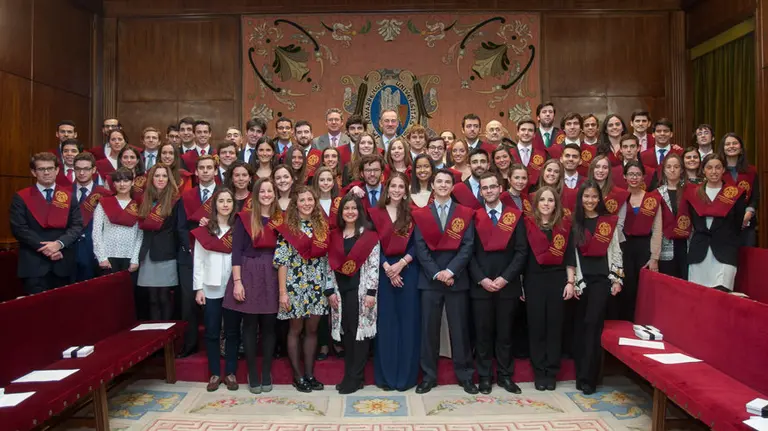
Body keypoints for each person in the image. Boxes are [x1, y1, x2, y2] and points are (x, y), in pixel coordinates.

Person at [412, 169, 476, 394]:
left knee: (459, 330)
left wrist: (450, 271)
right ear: (432, 184)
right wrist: (437, 273)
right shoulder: (422, 214)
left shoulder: (464, 213)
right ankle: (429, 376)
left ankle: (465, 375)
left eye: (447, 181)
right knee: (429, 331)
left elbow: (468, 246)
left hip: (456, 279)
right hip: (430, 280)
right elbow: (420, 247)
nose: (442, 185)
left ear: (452, 186)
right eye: (438, 181)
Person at [469, 172, 527, 394]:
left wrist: (505, 278)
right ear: (480, 191)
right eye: (485, 188)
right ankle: (484, 377)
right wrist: (482, 279)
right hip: (481, 286)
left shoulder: (515, 216)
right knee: (482, 335)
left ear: (501, 188)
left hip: (507, 285)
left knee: (505, 334)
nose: (489, 191)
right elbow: (469, 253)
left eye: (493, 187)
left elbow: (521, 252)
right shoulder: (473, 217)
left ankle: (505, 376)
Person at [273, 185, 332, 392]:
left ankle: (309, 374)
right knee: (295, 330)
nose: (307, 204)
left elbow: (327, 260)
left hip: (317, 285)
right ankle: (298, 377)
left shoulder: (322, 226)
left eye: (310, 200)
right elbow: (282, 261)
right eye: (302, 200)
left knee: (313, 330)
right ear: (295, 204)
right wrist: (282, 293)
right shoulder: (288, 228)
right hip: (295, 286)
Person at [225, 178, 281, 393]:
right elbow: (236, 252)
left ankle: (266, 372)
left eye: (270, 191)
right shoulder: (245, 218)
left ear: (275, 194)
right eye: (263, 191)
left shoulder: (280, 219)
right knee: (249, 325)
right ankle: (253, 373)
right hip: (248, 272)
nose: (266, 194)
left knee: (269, 326)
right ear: (256, 195)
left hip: (273, 273)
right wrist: (237, 282)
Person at [568, 180, 623, 395]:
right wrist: (573, 281)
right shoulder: (574, 224)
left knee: (593, 325)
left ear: (599, 199)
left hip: (602, 281)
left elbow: (616, 251)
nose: (590, 200)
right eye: (586, 197)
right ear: (580, 200)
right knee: (581, 327)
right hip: (582, 281)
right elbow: (571, 256)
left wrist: (617, 279)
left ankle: (591, 378)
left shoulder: (607, 223)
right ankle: (581, 375)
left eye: (594, 197)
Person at [369, 172, 420, 391]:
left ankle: (406, 377)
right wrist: (387, 267)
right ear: (387, 188)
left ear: (406, 190)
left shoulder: (414, 214)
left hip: (408, 271)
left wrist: (401, 264)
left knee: (408, 324)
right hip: (383, 272)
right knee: (386, 325)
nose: (397, 190)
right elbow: (370, 243)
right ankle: (386, 377)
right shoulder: (375, 214)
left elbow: (419, 244)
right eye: (393, 186)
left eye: (401, 186)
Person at [326, 195, 380, 394]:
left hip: (361, 290)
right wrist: (330, 290)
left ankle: (356, 377)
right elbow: (328, 265)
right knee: (347, 333)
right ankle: (350, 374)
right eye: (346, 208)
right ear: (341, 213)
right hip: (341, 291)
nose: (350, 211)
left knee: (359, 334)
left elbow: (374, 266)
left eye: (354, 208)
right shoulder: (335, 235)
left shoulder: (369, 235)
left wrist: (371, 293)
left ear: (360, 211)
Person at [11, 152, 84, 294]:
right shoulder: (21, 197)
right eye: (41, 169)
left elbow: (76, 226)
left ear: (57, 170)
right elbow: (19, 229)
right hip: (34, 264)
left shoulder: (69, 197)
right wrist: (47, 249)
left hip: (63, 262)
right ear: (33, 172)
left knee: (63, 309)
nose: (46, 173)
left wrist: (58, 244)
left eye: (50, 168)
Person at [523, 186, 574, 391]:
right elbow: (522, 256)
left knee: (554, 326)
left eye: (550, 200)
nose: (546, 203)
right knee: (536, 327)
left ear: (556, 204)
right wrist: (521, 284)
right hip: (533, 280)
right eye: (542, 200)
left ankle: (551, 371)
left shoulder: (563, 226)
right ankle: (539, 371)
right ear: (536, 204)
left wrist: (570, 282)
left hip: (557, 280)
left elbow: (570, 255)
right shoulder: (528, 225)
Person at [192, 188, 236, 391]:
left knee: (233, 331)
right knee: (211, 331)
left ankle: (231, 372)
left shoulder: (238, 229)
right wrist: (198, 288)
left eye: (229, 201)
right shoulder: (206, 230)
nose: (225, 204)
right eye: (221, 201)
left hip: (233, 286)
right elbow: (198, 260)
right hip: (210, 288)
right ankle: (215, 373)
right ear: (215, 205)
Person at [177, 155, 219, 357]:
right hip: (190, 255)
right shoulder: (187, 196)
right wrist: (191, 248)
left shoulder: (223, 195)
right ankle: (190, 344)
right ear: (196, 172)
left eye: (209, 167)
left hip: (217, 255)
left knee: (214, 303)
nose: (205, 171)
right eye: (201, 168)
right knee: (188, 303)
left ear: (215, 171)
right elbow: (181, 227)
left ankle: (219, 345)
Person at [685, 154, 747, 291]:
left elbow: (738, 224)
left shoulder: (735, 193)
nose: (714, 171)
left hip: (725, 251)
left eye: (718, 167)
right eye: (709, 167)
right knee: (698, 297)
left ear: (724, 169)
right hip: (699, 253)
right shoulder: (693, 193)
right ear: (703, 170)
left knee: (723, 296)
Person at [619, 161, 661, 321]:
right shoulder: (620, 197)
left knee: (643, 291)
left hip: (644, 247)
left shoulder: (652, 199)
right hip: (624, 248)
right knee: (625, 288)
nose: (634, 178)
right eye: (630, 174)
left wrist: (654, 257)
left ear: (643, 177)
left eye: (637, 174)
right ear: (624, 176)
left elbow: (658, 229)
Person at [137, 163, 180, 320]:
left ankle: (167, 336)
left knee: (164, 297)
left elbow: (177, 228)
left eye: (164, 176)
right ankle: (156, 338)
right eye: (157, 176)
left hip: (166, 254)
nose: (161, 179)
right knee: (152, 299)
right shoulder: (144, 199)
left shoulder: (175, 200)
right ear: (151, 179)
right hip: (147, 254)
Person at [93, 168, 143, 274]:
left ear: (133, 182)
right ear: (114, 184)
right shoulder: (104, 203)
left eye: (126, 181)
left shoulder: (138, 205)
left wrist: (135, 259)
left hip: (130, 257)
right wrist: (102, 257)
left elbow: (140, 235)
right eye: (118, 181)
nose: (122, 184)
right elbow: (96, 232)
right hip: (107, 256)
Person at [72, 152, 111, 281]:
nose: (81, 173)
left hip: (94, 250)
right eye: (78, 169)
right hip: (69, 249)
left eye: (86, 169)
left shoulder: (105, 194)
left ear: (94, 169)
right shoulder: (64, 192)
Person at [719, 133, 758, 247]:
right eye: (727, 144)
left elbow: (755, 196)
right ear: (723, 149)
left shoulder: (751, 171)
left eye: (735, 143)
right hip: (723, 224)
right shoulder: (717, 171)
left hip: (747, 224)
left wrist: (748, 213)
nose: (731, 146)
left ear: (741, 148)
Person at [656, 154, 691, 279]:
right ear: (664, 170)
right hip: (666, 245)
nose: (672, 170)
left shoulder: (690, 191)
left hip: (687, 244)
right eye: (669, 167)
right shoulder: (657, 193)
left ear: (681, 169)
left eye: (676, 167)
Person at [510, 118, 548, 187]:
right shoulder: (508, 153)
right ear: (517, 132)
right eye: (523, 130)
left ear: (534, 134)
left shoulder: (543, 155)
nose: (526, 133)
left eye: (530, 130)